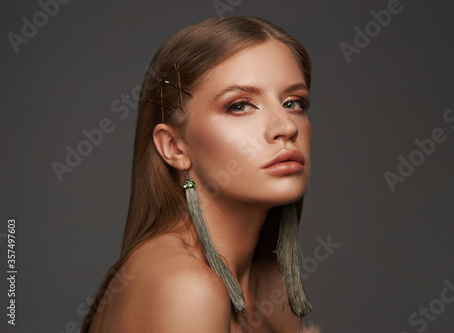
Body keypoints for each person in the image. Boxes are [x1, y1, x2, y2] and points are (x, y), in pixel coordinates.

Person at [81, 16, 319, 333]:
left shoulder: (274, 286)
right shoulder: (186, 286)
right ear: (174, 147)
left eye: (293, 102)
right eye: (240, 105)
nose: (286, 127)